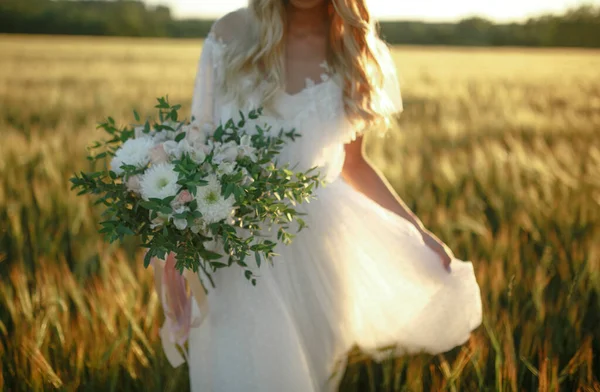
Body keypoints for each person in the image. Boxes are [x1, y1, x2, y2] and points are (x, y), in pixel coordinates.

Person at [157, 1, 482, 390]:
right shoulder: (231, 33)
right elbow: (199, 138)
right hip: (235, 249)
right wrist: (176, 222)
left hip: (317, 253)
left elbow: (354, 165)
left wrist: (419, 232)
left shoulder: (351, 50)